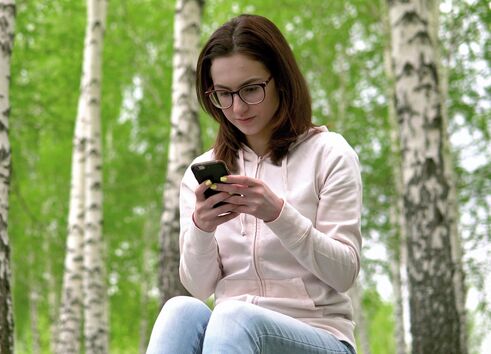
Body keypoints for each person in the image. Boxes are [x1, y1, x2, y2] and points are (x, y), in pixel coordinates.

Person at [146, 14, 361, 354]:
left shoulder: (330, 154)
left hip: (319, 335)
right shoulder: (201, 171)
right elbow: (200, 288)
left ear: (281, 80)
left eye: (250, 89)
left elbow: (344, 273)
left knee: (233, 316)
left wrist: (278, 214)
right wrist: (201, 228)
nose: (238, 107)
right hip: (229, 338)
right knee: (180, 310)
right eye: (224, 94)